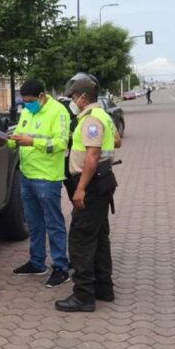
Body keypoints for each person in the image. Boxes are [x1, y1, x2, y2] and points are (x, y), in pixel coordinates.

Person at [56, 73, 119, 313]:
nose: (72, 99)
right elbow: (117, 140)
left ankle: (83, 296)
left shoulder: (91, 119)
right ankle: (104, 287)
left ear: (83, 97)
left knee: (81, 238)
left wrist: (80, 188)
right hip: (102, 182)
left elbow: (92, 157)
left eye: (73, 96)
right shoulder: (104, 115)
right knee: (100, 236)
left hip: (92, 184)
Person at [4, 79, 71, 288]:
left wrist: (34, 142)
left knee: (53, 223)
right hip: (27, 174)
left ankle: (60, 267)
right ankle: (37, 262)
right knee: (34, 223)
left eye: (30, 101)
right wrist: (7, 141)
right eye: (24, 102)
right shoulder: (27, 112)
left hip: (47, 177)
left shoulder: (58, 112)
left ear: (41, 96)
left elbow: (61, 144)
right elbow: (20, 138)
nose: (27, 105)